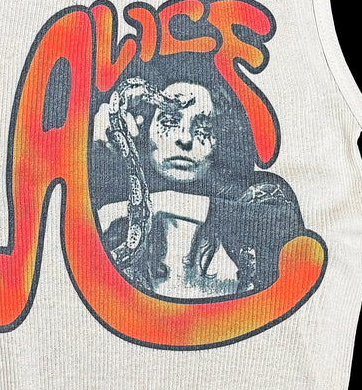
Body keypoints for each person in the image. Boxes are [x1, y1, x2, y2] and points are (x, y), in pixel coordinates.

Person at [89, 51, 308, 298]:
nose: (185, 139)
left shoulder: (259, 198)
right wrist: (84, 150)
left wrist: (166, 203)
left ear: (221, 139)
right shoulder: (109, 193)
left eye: (203, 128)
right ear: (144, 126)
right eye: (170, 121)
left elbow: (284, 225)